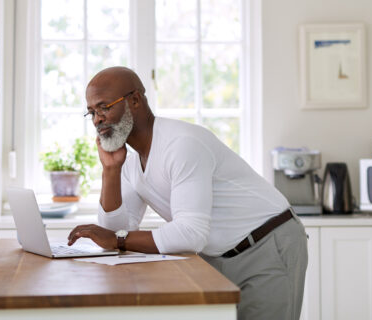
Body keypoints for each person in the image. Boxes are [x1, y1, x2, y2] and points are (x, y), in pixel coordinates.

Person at [67, 66, 307, 319]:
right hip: (216, 255)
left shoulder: (181, 144)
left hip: (266, 243)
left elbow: (189, 233)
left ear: (135, 100)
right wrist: (110, 172)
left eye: (104, 107)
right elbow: (116, 229)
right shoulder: (127, 159)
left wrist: (117, 238)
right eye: (91, 112)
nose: (97, 119)